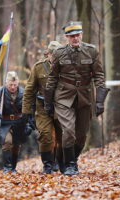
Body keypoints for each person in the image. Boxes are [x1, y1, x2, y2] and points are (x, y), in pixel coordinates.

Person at [44, 21, 109, 176]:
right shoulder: (59, 52)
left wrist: (100, 101)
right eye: (72, 36)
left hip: (85, 97)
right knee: (68, 131)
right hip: (64, 96)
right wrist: (48, 102)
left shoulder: (91, 51)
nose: (75, 39)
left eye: (77, 35)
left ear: (82, 35)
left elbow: (99, 75)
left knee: (81, 136)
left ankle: (65, 158)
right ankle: (71, 165)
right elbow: (52, 77)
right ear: (67, 37)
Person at [22, 41, 63, 174]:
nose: (56, 58)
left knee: (61, 135)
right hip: (43, 107)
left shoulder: (66, 67)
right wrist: (26, 112)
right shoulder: (38, 67)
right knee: (45, 135)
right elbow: (29, 90)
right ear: (48, 54)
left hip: (62, 107)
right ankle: (47, 164)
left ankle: (59, 161)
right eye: (53, 55)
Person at [0, 71, 33, 173]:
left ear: (17, 83)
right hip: (5, 122)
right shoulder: (0, 92)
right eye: (10, 85)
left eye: (14, 85)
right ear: (6, 83)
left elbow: (29, 109)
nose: (13, 87)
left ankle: (13, 167)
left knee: (16, 146)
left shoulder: (23, 92)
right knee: (7, 142)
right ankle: (7, 167)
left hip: (19, 122)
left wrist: (30, 124)